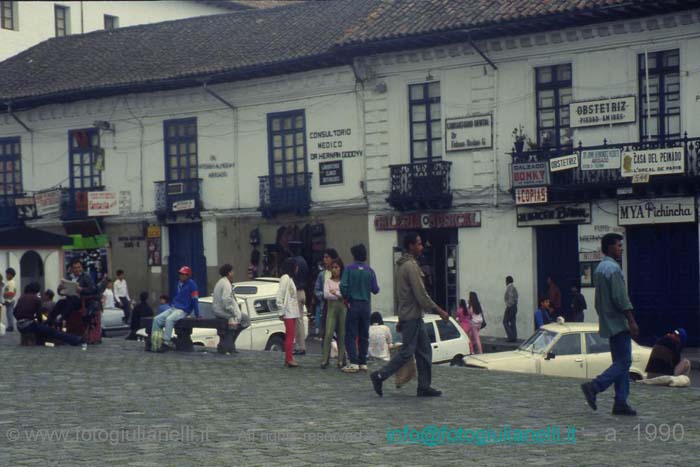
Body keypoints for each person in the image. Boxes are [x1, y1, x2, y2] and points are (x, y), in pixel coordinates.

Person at [370, 232, 449, 397]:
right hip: (412, 316)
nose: (421, 247)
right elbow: (421, 295)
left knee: (424, 350)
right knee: (407, 352)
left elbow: (400, 295)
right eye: (419, 244)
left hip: (411, 315)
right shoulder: (410, 266)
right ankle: (380, 375)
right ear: (411, 246)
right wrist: (439, 311)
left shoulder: (400, 265)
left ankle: (424, 386)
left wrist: (400, 316)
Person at [581, 233, 640, 416]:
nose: (621, 248)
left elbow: (599, 301)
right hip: (619, 322)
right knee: (624, 362)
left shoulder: (599, 269)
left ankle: (621, 402)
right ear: (609, 247)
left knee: (620, 363)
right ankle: (595, 386)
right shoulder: (613, 269)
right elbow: (620, 298)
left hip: (608, 322)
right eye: (618, 245)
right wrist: (631, 320)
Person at [340, 243, 379, 373]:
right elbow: (375, 289)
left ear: (354, 255)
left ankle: (353, 362)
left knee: (350, 334)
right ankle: (363, 362)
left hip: (353, 304)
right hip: (366, 305)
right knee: (364, 335)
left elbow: (343, 286)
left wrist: (346, 298)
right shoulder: (370, 270)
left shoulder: (349, 269)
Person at [14, 282, 85, 346]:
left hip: (19, 325)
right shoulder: (36, 299)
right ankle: (75, 339)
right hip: (29, 325)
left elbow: (14, 312)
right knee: (53, 331)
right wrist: (41, 322)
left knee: (42, 330)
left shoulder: (21, 298)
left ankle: (39, 341)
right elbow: (39, 315)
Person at [151, 266, 200, 350]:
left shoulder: (192, 285)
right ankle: (155, 341)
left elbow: (195, 300)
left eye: (183, 274)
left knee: (169, 319)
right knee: (156, 319)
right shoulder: (178, 284)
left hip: (183, 310)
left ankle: (166, 342)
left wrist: (197, 313)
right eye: (180, 274)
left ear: (188, 275)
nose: (181, 275)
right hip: (173, 308)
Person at [212, 264, 250, 354]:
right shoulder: (226, 284)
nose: (234, 273)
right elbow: (226, 301)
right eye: (232, 271)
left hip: (219, 311)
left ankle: (230, 344)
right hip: (225, 312)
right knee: (243, 321)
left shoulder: (221, 282)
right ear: (229, 273)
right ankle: (229, 345)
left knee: (242, 320)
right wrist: (233, 312)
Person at [321, 258, 347, 369]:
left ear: (341, 268)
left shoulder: (344, 281)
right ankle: (325, 359)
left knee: (342, 334)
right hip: (331, 309)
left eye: (336, 267)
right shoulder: (328, 281)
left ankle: (341, 359)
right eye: (333, 267)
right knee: (328, 333)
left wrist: (335, 292)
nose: (334, 270)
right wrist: (338, 294)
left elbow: (345, 294)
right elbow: (326, 294)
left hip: (343, 308)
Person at [276, 258, 300, 368]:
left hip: (292, 311)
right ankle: (289, 358)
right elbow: (280, 295)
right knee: (290, 335)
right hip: (288, 312)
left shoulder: (290, 278)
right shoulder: (285, 278)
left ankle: (288, 358)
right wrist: (281, 310)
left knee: (291, 335)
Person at [313, 248, 339, 340]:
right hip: (326, 306)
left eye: (327, 257)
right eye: (324, 257)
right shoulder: (322, 274)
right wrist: (324, 295)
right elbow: (317, 290)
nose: (325, 260)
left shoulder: (341, 273)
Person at [292, 248, 309, 356]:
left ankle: (300, 346)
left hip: (296, 292)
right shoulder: (304, 261)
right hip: (303, 291)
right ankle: (301, 345)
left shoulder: (293, 261)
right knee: (300, 320)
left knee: (297, 321)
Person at [503, 275, 519, 342]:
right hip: (514, 306)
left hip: (511, 306)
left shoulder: (509, 288)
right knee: (512, 322)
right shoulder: (514, 288)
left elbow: (510, 298)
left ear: (507, 281)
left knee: (505, 321)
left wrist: (508, 307)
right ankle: (514, 337)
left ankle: (511, 336)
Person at [3, 267, 17, 332]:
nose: (6, 275)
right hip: (8, 300)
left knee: (9, 314)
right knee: (8, 313)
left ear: (11, 275)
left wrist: (8, 300)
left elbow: (11, 292)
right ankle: (10, 326)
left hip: (9, 300)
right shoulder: (9, 282)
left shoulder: (11, 282)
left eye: (7, 274)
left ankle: (11, 326)